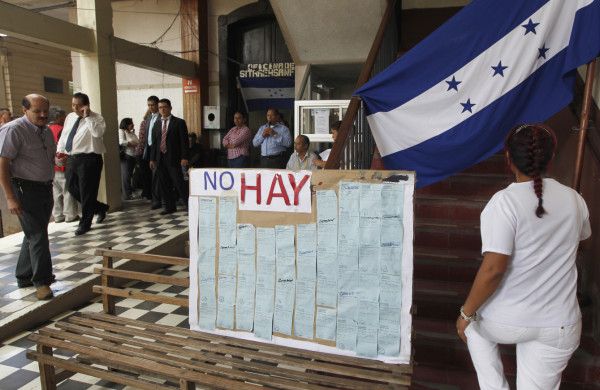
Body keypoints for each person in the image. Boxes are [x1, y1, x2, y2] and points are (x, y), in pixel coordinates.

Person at [456, 124, 591, 390]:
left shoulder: (504, 202)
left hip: (507, 320)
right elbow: (583, 245)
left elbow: (493, 269)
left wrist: (465, 313)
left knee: (470, 325)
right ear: (551, 158)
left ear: (508, 159)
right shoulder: (575, 200)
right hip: (560, 324)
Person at [0, 94, 56, 300]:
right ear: (24, 110)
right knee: (38, 236)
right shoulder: (13, 130)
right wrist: (10, 197)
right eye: (37, 111)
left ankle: (24, 275)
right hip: (23, 189)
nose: (43, 115)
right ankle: (42, 282)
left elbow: (48, 156)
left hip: (45, 188)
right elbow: (2, 165)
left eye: (45, 111)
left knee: (35, 233)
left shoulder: (46, 131)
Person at [56, 92, 109, 236]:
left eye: (78, 105)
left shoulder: (97, 118)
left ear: (86, 105)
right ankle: (100, 207)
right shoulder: (70, 117)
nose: (75, 108)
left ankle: (85, 223)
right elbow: (64, 136)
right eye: (73, 104)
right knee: (72, 188)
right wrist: (59, 152)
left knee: (87, 192)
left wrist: (87, 117)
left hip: (89, 159)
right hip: (73, 158)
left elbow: (98, 133)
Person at [149, 98, 189, 215]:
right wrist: (152, 159)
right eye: (160, 107)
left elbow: (184, 141)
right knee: (164, 184)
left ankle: (189, 205)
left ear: (170, 108)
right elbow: (155, 143)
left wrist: (184, 157)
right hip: (160, 159)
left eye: (165, 107)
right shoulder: (157, 124)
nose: (162, 109)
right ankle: (170, 206)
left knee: (179, 183)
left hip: (175, 158)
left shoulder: (179, 122)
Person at [49, 107, 78, 223]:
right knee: (67, 190)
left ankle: (58, 216)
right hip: (62, 165)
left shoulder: (46, 130)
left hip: (51, 167)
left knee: (56, 192)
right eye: (63, 116)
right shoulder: (62, 130)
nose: (65, 118)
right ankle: (70, 215)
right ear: (56, 117)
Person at [143, 96, 162, 209]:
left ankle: (158, 199)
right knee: (152, 175)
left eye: (153, 105)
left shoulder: (162, 117)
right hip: (149, 148)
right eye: (149, 105)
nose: (151, 107)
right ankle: (155, 198)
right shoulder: (149, 118)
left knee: (157, 175)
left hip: (160, 149)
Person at [118, 117, 139, 200]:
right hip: (126, 156)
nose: (133, 125)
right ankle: (126, 194)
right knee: (125, 176)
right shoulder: (122, 132)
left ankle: (128, 192)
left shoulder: (132, 133)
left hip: (133, 156)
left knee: (130, 175)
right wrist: (132, 144)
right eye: (131, 123)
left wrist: (134, 144)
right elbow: (122, 142)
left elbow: (137, 142)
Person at [135, 109, 152, 200]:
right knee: (147, 174)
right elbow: (142, 140)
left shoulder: (143, 123)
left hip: (142, 152)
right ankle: (147, 193)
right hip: (143, 152)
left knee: (146, 174)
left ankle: (147, 192)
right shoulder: (145, 123)